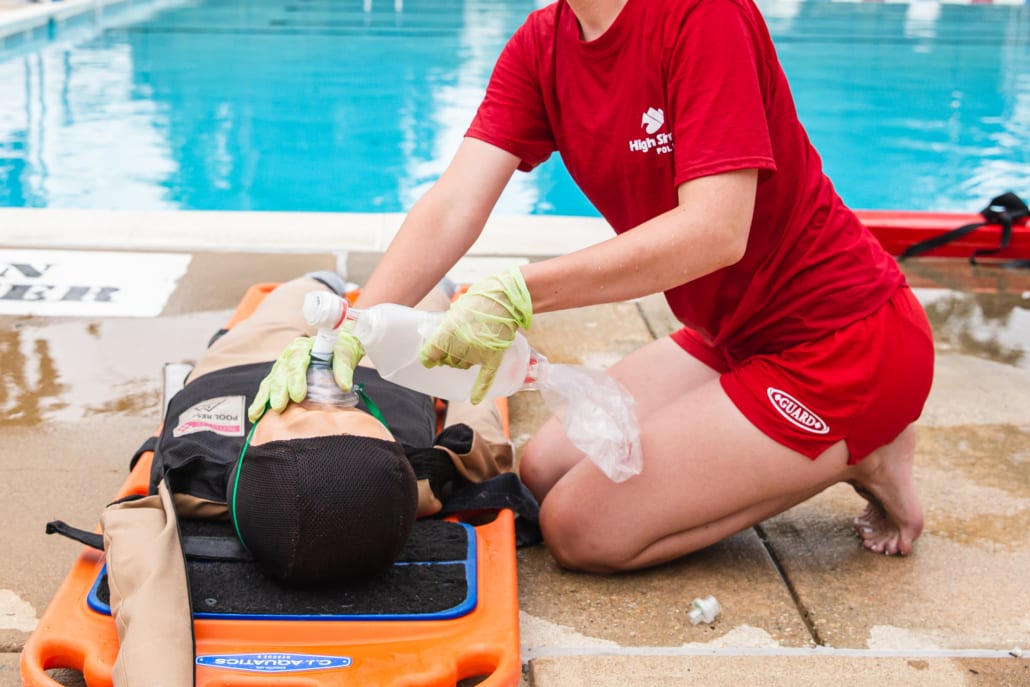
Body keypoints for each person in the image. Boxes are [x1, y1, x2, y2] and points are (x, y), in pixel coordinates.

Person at [266, 0, 935, 572]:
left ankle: (864, 451)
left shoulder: (702, 16)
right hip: (730, 336)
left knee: (580, 530)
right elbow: (452, 205)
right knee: (543, 469)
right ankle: (802, 434)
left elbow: (715, 231)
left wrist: (521, 292)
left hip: (844, 340)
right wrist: (350, 330)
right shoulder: (544, 43)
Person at [89, 272, 517, 686]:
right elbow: (479, 430)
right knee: (426, 294)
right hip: (387, 365)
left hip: (240, 360)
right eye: (353, 412)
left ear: (247, 452)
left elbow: (146, 591)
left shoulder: (190, 482)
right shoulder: (419, 479)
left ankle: (323, 280)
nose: (324, 391)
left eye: (297, 414)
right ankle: (424, 287)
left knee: (302, 291)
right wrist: (473, 369)